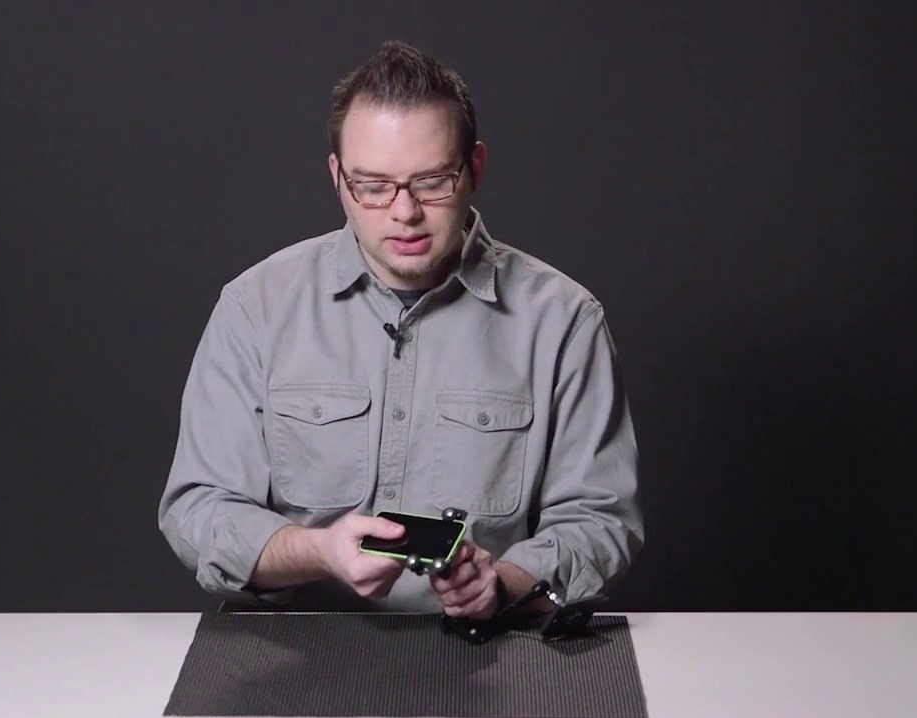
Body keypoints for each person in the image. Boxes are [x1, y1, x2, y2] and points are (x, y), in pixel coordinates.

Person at [158, 40, 643, 619]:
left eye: (433, 181)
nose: (404, 211)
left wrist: (502, 584)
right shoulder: (255, 308)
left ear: (475, 169)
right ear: (338, 178)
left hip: (484, 649)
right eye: (373, 185)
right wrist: (318, 551)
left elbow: (600, 520)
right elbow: (200, 509)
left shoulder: (565, 321)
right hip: (291, 645)